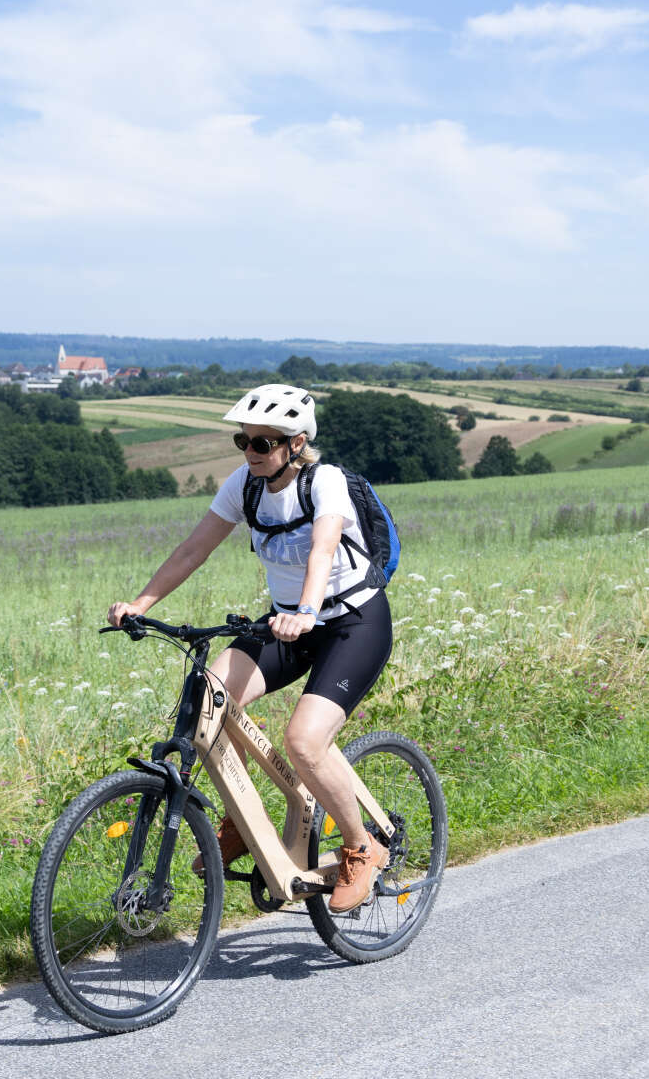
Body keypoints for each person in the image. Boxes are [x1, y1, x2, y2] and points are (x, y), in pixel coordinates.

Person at [106, 383, 394, 913]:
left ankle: (362, 848)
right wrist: (141, 603)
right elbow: (195, 547)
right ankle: (245, 821)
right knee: (208, 704)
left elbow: (324, 546)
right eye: (244, 441)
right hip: (284, 623)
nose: (250, 452)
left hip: (350, 622)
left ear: (296, 443)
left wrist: (307, 611)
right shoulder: (246, 485)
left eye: (263, 443)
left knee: (305, 742)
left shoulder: (324, 482)